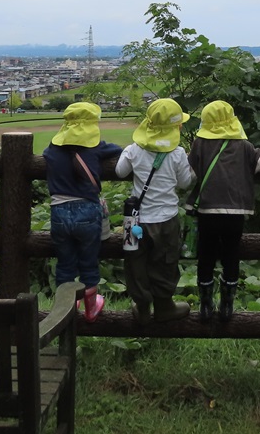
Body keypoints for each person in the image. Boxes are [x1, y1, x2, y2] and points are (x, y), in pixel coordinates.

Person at [186, 100, 260, 322]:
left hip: (207, 210)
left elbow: (190, 175)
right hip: (236, 211)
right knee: (231, 255)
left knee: (205, 256)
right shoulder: (243, 146)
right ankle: (227, 305)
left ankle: (205, 306)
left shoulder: (200, 143)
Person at [116, 98, 195, 324]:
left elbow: (120, 172)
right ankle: (164, 306)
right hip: (166, 219)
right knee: (165, 262)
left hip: (135, 221)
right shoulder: (178, 154)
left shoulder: (133, 149)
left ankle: (142, 308)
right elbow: (184, 182)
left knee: (135, 263)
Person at [43, 102, 122, 322]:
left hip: (58, 210)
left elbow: (46, 155)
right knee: (89, 262)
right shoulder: (96, 148)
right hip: (87, 211)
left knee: (65, 264)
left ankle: (65, 309)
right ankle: (90, 308)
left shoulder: (51, 150)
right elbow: (118, 150)